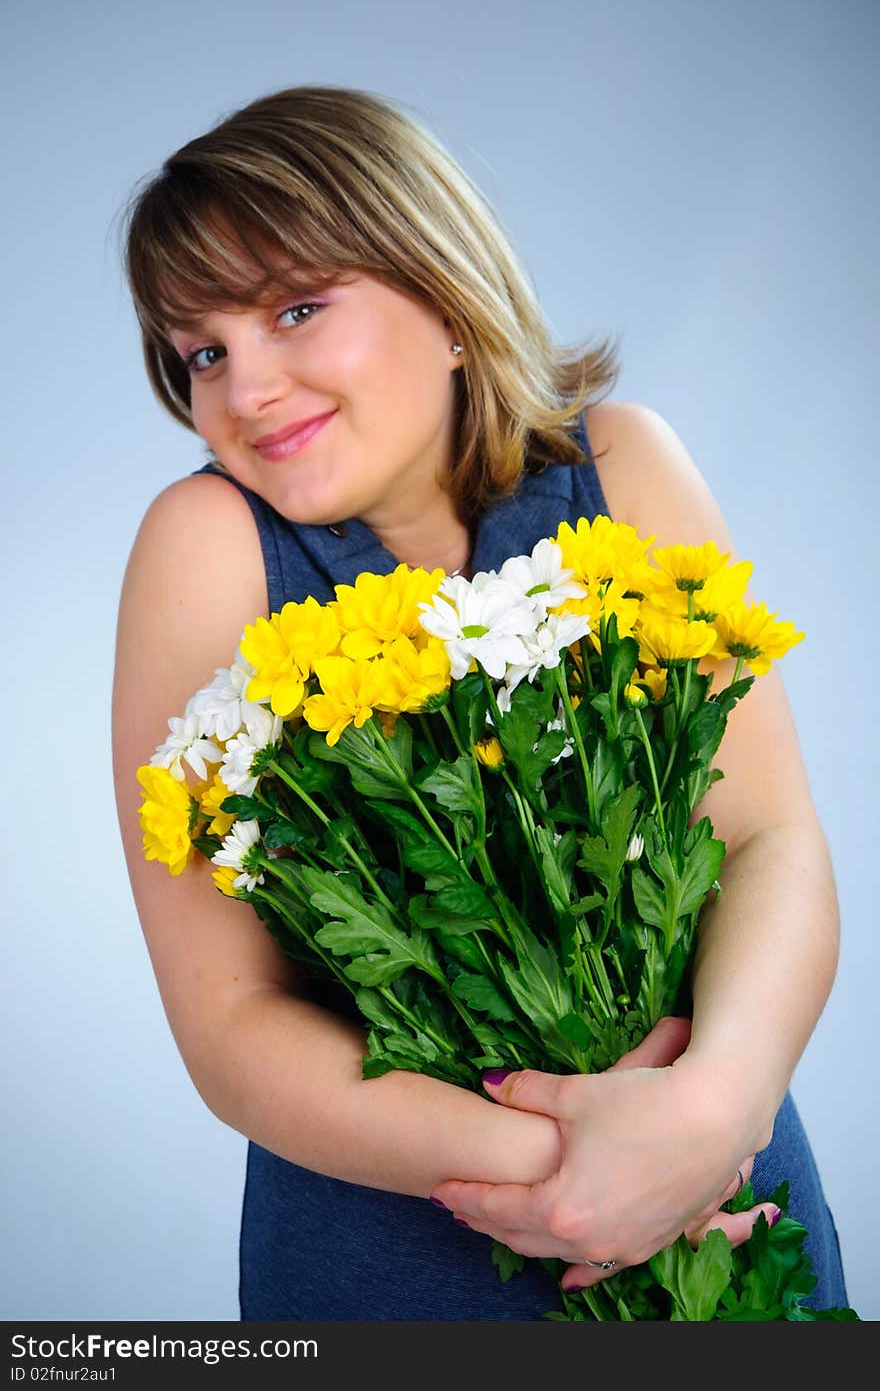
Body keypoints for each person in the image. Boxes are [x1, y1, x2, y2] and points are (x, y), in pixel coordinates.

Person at [112, 85, 848, 1319]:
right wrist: (579, 1172)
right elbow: (231, 1024)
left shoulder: (621, 465)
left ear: (444, 291)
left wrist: (713, 1108)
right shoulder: (208, 542)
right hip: (413, 1266)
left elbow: (768, 838)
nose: (246, 388)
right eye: (203, 351)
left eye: (297, 307)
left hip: (725, 1194)